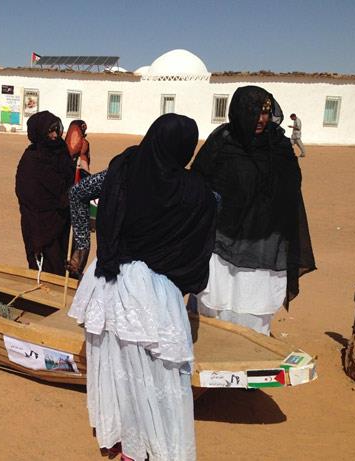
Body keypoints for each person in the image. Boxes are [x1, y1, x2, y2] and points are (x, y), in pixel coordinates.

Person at [69, 114, 217, 461]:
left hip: (108, 283)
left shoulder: (125, 169)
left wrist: (82, 243)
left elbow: (78, 193)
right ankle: (150, 447)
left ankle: (123, 441)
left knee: (117, 366)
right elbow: (215, 211)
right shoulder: (194, 190)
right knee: (156, 375)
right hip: (154, 295)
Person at [191, 86, 316, 336]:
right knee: (215, 307)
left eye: (266, 113)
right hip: (222, 243)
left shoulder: (279, 147)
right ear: (239, 112)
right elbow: (198, 185)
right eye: (254, 112)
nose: (261, 119)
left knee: (254, 311)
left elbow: (292, 188)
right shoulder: (222, 142)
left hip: (264, 244)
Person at [15, 111, 74, 276]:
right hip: (39, 225)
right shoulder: (31, 159)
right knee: (46, 269)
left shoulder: (61, 151)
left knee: (64, 265)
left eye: (57, 130)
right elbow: (26, 194)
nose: (55, 135)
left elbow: (70, 179)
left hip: (62, 220)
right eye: (50, 132)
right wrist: (59, 200)